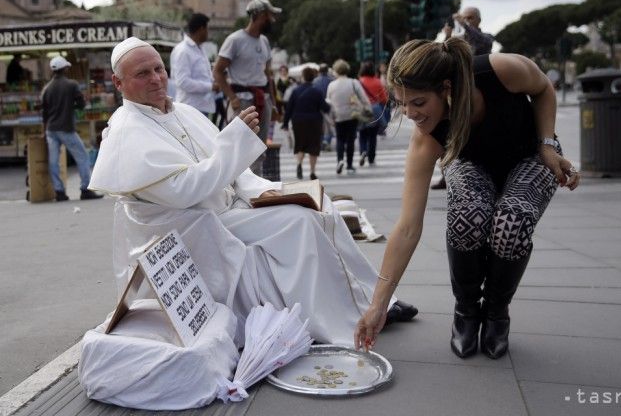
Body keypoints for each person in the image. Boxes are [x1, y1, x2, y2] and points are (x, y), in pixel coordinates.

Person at [89, 37, 417, 346]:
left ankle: (375, 300)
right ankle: (338, 320)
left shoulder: (184, 112)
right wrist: (238, 143)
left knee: (321, 206)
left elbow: (234, 171)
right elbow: (184, 190)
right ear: (119, 84)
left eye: (158, 68)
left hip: (230, 207)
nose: (156, 78)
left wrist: (274, 190)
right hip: (201, 223)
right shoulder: (126, 131)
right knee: (299, 223)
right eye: (142, 73)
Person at [354, 38, 580, 359]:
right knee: (468, 218)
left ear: (446, 87)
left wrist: (546, 143)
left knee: (511, 222)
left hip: (531, 155)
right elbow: (406, 227)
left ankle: (497, 312)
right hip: (471, 162)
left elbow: (543, 88)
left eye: (418, 102)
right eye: (402, 103)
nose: (410, 113)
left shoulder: (499, 70)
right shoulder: (427, 137)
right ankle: (466, 310)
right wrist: (378, 306)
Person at [214, 0, 281, 175]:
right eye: (269, 16)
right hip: (242, 100)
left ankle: (256, 187)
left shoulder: (264, 41)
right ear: (259, 15)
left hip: (262, 98)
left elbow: (268, 75)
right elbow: (218, 71)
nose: (272, 20)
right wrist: (232, 97)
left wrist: (273, 103)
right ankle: (236, 186)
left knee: (260, 147)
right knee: (240, 146)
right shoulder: (235, 40)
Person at [433, 6, 495, 190]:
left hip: (481, 94)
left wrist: (464, 25)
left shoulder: (485, 38)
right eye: (464, 18)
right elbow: (441, 56)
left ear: (478, 19)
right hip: (458, 95)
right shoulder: (457, 40)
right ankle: (447, 176)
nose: (466, 21)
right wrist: (447, 36)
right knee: (448, 136)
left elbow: (482, 42)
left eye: (470, 18)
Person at [41, 56, 103, 202]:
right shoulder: (71, 85)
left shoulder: (47, 88)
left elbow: (44, 113)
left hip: (51, 129)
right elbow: (81, 105)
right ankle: (85, 189)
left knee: (53, 161)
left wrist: (44, 131)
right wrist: (72, 105)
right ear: (65, 69)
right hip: (66, 128)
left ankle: (59, 192)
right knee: (82, 156)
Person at [282, 66, 330, 180]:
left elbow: (289, 109)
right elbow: (325, 108)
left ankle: (299, 164)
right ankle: (312, 172)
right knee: (313, 147)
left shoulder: (295, 91)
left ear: (302, 77)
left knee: (300, 145)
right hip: (314, 121)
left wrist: (285, 123)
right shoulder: (317, 91)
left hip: (298, 121)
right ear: (313, 77)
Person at [326, 59, 371, 175]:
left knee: (340, 139)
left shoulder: (331, 85)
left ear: (336, 71)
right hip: (352, 114)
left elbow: (328, 102)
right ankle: (350, 165)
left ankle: (340, 160)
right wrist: (367, 108)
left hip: (338, 116)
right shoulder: (353, 82)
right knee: (351, 140)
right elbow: (363, 97)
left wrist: (330, 118)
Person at [170, 13, 215, 117]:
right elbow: (183, 82)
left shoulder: (199, 48)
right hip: (190, 108)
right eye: (207, 29)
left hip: (201, 106)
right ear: (201, 29)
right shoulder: (184, 51)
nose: (208, 33)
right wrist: (210, 87)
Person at [358, 61, 389, 166]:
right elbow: (384, 99)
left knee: (362, 133)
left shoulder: (359, 82)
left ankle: (363, 151)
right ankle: (371, 157)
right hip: (374, 111)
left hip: (362, 110)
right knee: (372, 135)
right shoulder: (377, 82)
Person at [313, 63, 335, 151]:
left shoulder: (314, 81)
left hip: (317, 106)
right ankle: (327, 141)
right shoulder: (332, 80)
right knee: (329, 126)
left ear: (319, 71)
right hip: (329, 105)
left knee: (319, 126)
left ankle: (321, 142)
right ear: (327, 70)